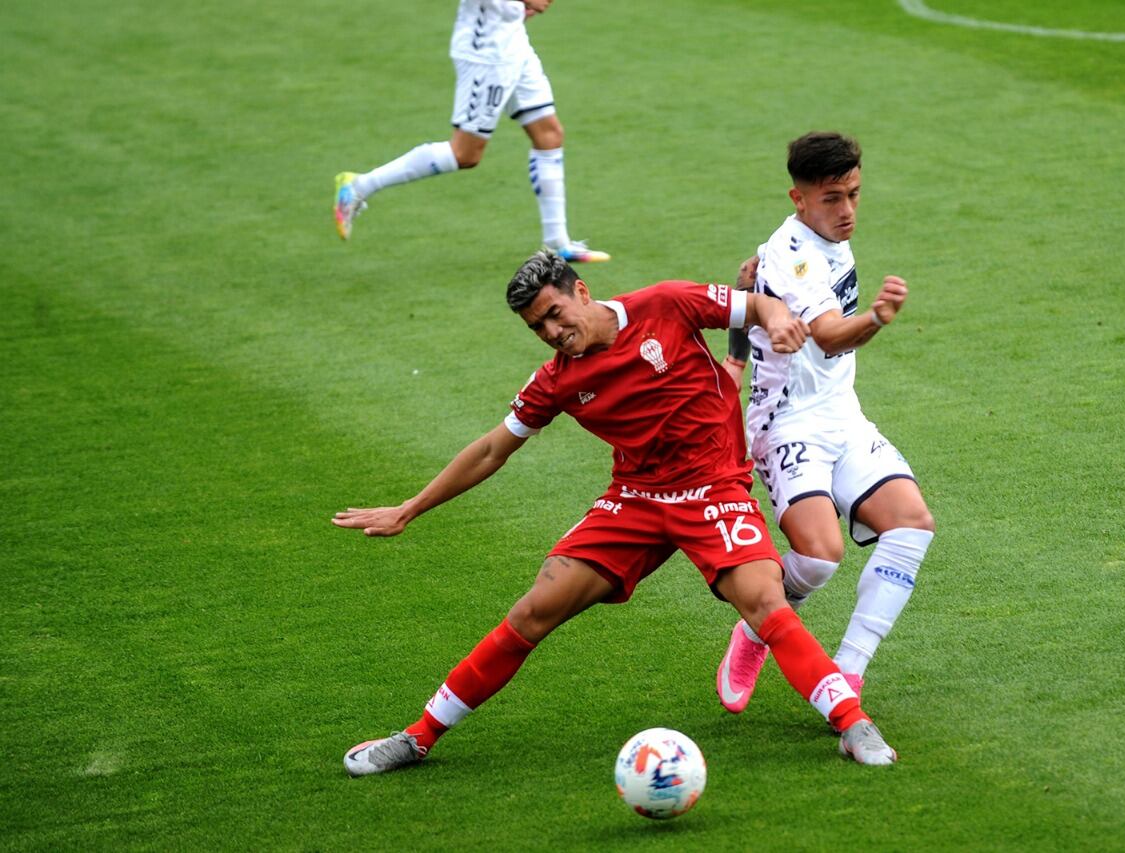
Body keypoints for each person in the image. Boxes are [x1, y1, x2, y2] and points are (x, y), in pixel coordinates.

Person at [333, 249, 897, 777]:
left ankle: (852, 723)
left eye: (554, 314)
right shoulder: (555, 380)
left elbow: (758, 304)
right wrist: (410, 509)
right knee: (534, 610)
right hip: (635, 499)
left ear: (580, 291)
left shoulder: (665, 303)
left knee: (765, 603)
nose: (552, 332)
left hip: (713, 491)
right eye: (537, 327)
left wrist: (773, 321)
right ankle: (419, 736)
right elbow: (491, 449)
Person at [716, 132, 936, 758]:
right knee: (819, 557)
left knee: (913, 524)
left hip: (842, 416)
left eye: (855, 195)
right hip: (786, 424)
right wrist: (878, 318)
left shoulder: (827, 238)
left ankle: (847, 671)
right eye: (833, 198)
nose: (848, 211)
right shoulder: (795, 252)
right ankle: (756, 626)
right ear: (799, 198)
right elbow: (833, 337)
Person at [332, 0, 609, 263]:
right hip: (485, 54)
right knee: (465, 153)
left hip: (513, 42)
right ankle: (358, 187)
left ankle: (558, 243)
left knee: (549, 134)